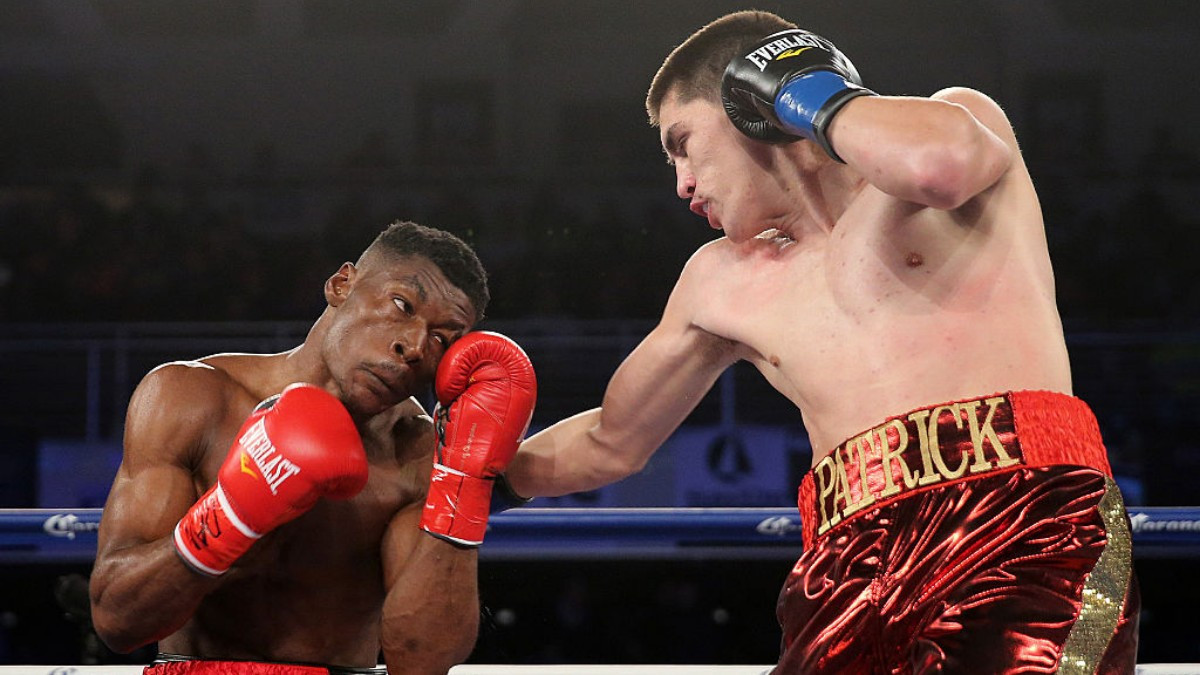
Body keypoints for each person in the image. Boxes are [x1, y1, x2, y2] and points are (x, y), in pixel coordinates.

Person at [503, 10, 1139, 673]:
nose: (682, 184)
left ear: (746, 104)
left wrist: (808, 96)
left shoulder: (955, 122)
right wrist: (472, 476)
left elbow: (939, 166)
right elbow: (612, 438)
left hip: (1021, 519)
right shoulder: (719, 281)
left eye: (684, 143)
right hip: (845, 564)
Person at [89, 220, 537, 675]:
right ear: (342, 284)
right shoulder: (192, 398)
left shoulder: (418, 457)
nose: (415, 346)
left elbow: (422, 661)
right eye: (402, 304)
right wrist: (229, 518)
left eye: (443, 338)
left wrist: (463, 486)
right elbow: (117, 620)